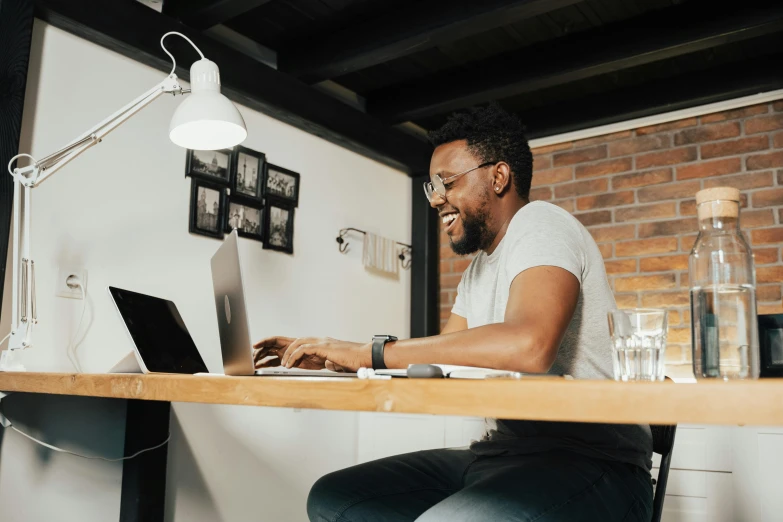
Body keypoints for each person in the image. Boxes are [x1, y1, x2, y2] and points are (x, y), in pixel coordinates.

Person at [253, 104, 653, 521]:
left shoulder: (541, 224)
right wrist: (341, 361)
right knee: (336, 498)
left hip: (595, 464)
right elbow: (440, 362)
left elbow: (530, 344)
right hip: (502, 455)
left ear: (498, 177)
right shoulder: (478, 271)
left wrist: (368, 352)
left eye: (446, 182)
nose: (436, 199)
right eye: (431, 187)